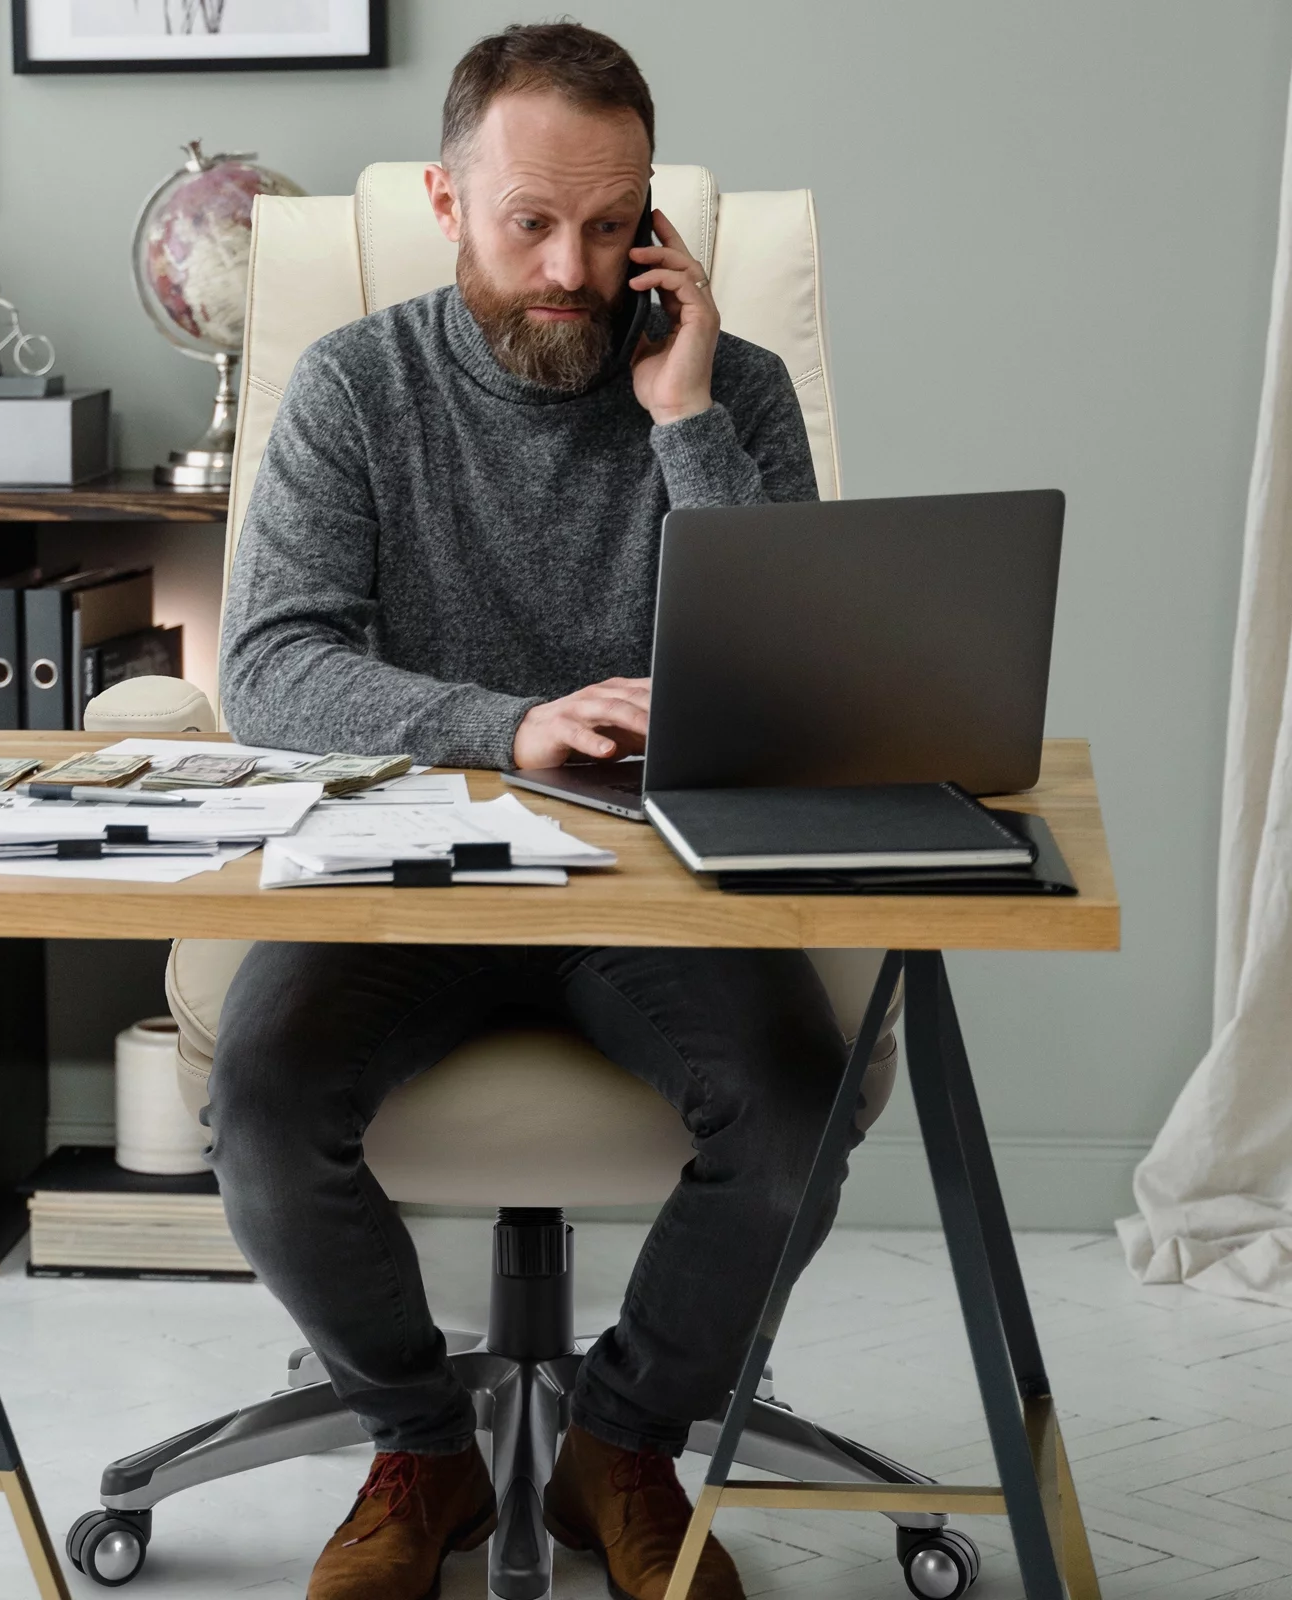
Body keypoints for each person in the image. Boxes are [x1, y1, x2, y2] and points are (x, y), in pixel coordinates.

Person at [213, 22, 849, 1600]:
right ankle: (420, 1453)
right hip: (405, 867)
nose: (574, 264)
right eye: (531, 222)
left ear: (656, 224)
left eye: (613, 221)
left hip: (654, 875)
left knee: (795, 1109)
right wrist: (510, 727)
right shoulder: (359, 387)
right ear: (447, 200)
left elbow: (804, 676)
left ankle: (618, 1445)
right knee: (266, 1108)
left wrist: (685, 415)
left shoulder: (733, 394)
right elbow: (273, 668)